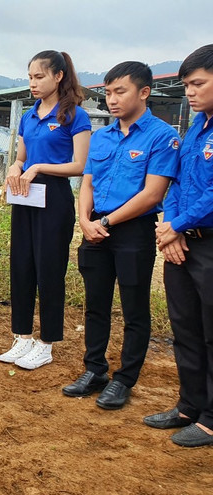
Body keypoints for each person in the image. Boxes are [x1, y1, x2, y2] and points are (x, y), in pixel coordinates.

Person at [62, 62, 178, 409]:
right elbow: (88, 182)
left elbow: (152, 194)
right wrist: (84, 220)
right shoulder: (102, 136)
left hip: (131, 232)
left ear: (144, 92)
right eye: (108, 92)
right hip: (95, 228)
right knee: (96, 305)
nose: (111, 99)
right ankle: (94, 370)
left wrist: (107, 222)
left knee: (134, 309)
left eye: (120, 91)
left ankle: (125, 379)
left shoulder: (161, 136)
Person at [0, 50, 91, 370]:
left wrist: (38, 166)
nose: (33, 83)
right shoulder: (28, 115)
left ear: (58, 76)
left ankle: (47, 342)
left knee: (49, 269)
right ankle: (22, 337)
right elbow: (21, 157)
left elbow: (79, 165)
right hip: (25, 195)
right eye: (30, 77)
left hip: (54, 196)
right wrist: (15, 166)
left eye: (39, 77)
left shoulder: (75, 115)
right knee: (21, 265)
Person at [145, 44, 213, 447]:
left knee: (211, 331)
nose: (189, 91)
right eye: (186, 84)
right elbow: (178, 182)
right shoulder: (195, 129)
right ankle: (189, 404)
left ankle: (211, 418)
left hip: (207, 244)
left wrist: (177, 226)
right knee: (185, 328)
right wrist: (170, 224)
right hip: (183, 242)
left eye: (198, 83)